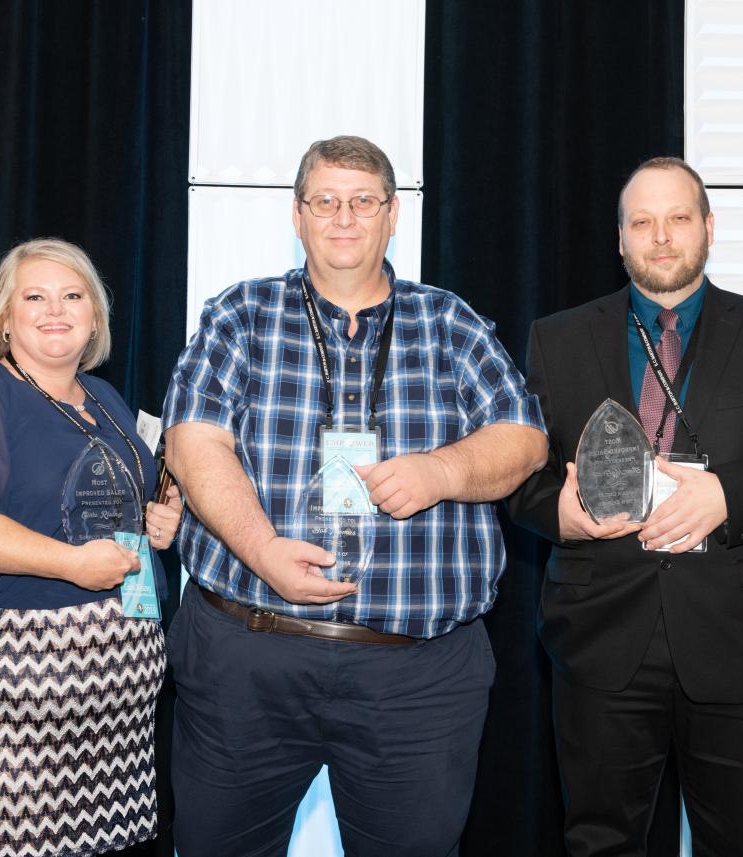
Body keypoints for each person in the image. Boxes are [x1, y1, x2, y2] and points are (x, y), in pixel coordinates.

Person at [161, 135, 547, 856]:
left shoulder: (449, 321)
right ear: (297, 214)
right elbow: (192, 442)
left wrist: (441, 472)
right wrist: (262, 550)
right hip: (247, 656)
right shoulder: (240, 314)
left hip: (416, 678)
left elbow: (523, 437)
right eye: (326, 201)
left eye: (364, 201)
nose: (344, 218)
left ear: (393, 215)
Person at [509, 156, 743, 855]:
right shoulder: (558, 337)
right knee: (599, 843)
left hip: (738, 643)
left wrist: (728, 494)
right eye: (642, 222)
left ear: (709, 227)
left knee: (740, 843)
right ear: (619, 239)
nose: (661, 236)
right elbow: (520, 472)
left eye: (678, 218)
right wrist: (557, 515)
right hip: (600, 639)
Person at [0, 237, 183, 857]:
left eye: (72, 296)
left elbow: (100, 508)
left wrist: (157, 520)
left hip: (118, 698)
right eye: (34, 297)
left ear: (95, 317)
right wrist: (72, 565)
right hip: (14, 685)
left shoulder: (104, 400)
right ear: (5, 319)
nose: (55, 310)